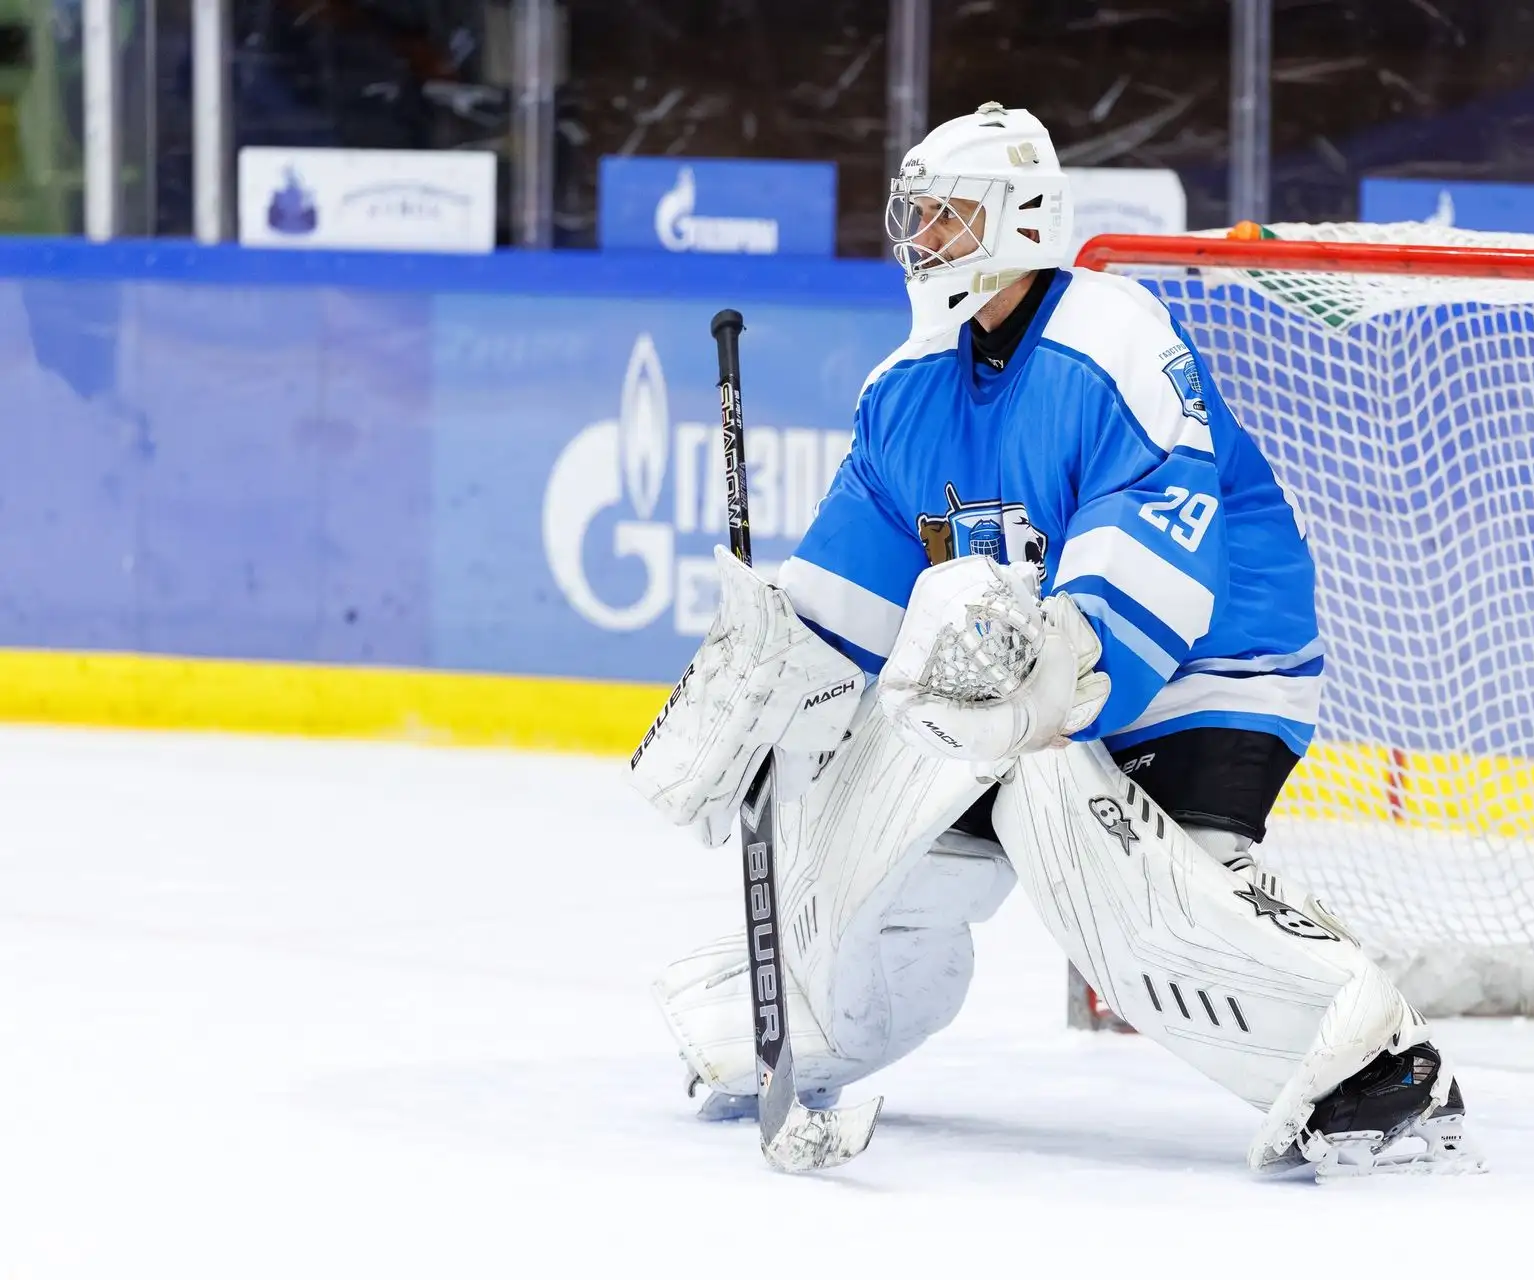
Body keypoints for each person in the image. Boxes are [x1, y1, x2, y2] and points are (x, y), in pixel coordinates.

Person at [630, 103, 1480, 1176]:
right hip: (1011, 685)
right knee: (873, 844)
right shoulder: (906, 390)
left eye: (948, 214)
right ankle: (796, 1028)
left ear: (1020, 220)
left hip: (1207, 666)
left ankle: (1377, 1066)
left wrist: (1057, 666)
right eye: (916, 215)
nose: (922, 237)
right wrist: (769, 681)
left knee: (1122, 886)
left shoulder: (1111, 340)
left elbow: (1159, 534)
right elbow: (848, 595)